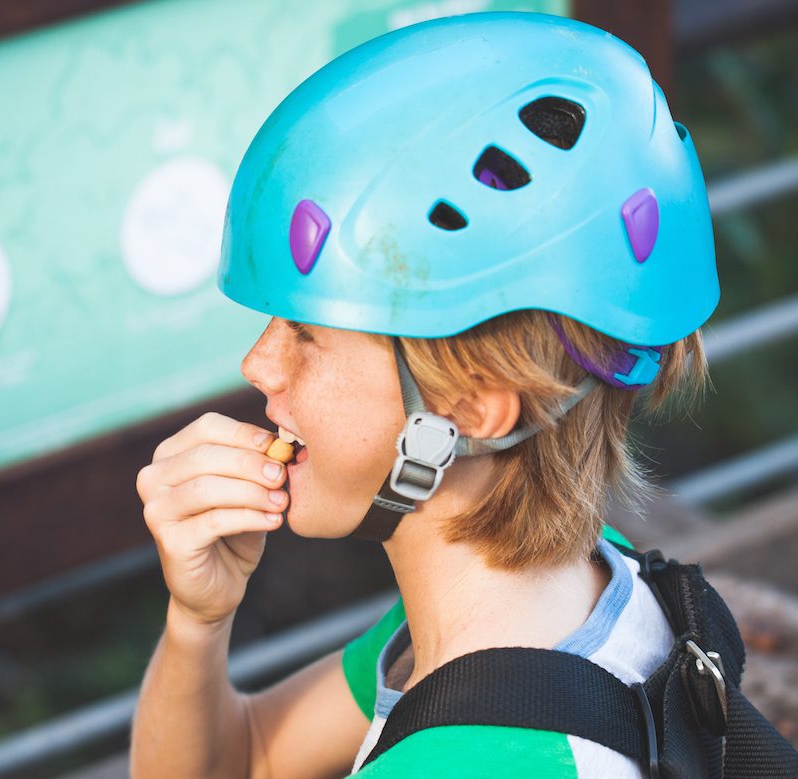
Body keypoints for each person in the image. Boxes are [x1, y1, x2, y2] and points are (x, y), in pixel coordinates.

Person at [131, 12, 721, 778]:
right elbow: (247, 759)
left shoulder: (480, 751)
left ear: (473, 405)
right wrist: (198, 618)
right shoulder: (561, 604)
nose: (259, 364)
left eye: (309, 336)